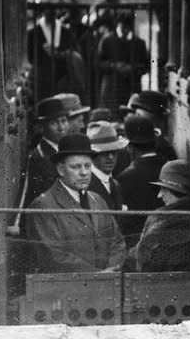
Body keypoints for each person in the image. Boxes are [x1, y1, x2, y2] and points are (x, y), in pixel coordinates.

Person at [28, 133, 127, 273]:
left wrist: (111, 270)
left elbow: (117, 241)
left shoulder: (97, 200)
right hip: (67, 288)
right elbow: (55, 256)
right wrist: (97, 274)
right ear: (61, 169)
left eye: (87, 166)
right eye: (76, 167)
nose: (84, 173)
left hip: (107, 283)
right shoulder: (44, 206)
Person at [130, 160, 190, 274]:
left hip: (159, 286)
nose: (159, 195)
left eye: (163, 189)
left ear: (175, 191)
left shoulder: (161, 219)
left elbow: (143, 261)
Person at [113, 115, 166, 244]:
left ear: (130, 149)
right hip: (167, 236)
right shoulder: (169, 167)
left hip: (139, 241)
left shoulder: (125, 178)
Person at [27, 0, 81, 100]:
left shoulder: (65, 31)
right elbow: (30, 60)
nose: (50, 12)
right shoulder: (33, 32)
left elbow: (75, 54)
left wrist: (58, 54)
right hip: (41, 88)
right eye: (47, 8)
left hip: (63, 85)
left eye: (53, 8)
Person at [23, 96, 70, 210]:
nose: (61, 128)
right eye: (54, 123)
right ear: (42, 126)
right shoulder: (40, 157)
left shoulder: (63, 149)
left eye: (63, 121)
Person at [98, 10, 149, 111]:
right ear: (118, 24)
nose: (126, 30)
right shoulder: (107, 40)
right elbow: (98, 63)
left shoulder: (139, 43)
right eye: (123, 27)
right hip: (111, 89)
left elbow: (146, 66)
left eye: (128, 27)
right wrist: (114, 66)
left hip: (131, 88)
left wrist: (132, 68)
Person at [87, 123, 127, 212]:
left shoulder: (115, 184)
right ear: (93, 154)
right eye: (104, 152)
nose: (111, 157)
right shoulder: (86, 184)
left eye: (114, 151)